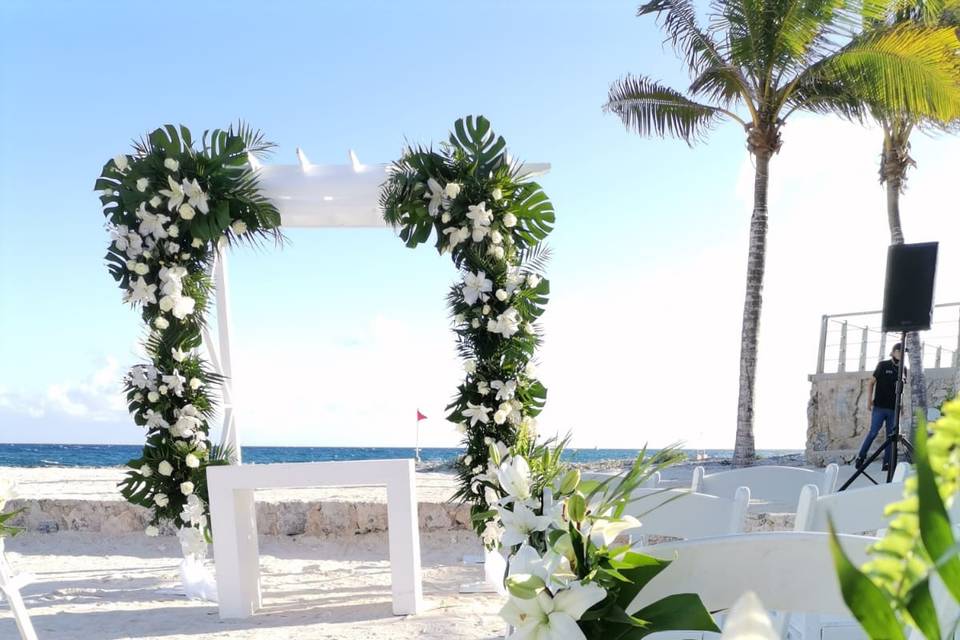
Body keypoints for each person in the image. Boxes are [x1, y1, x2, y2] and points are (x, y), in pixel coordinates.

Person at [855, 343, 906, 470]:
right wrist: (869, 400)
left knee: (891, 436)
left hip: (893, 409)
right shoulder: (883, 365)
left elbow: (902, 389)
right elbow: (871, 383)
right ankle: (861, 457)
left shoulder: (903, 369)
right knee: (873, 432)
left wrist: (902, 405)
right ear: (893, 352)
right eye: (898, 351)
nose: (900, 353)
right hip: (879, 407)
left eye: (903, 352)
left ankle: (887, 463)